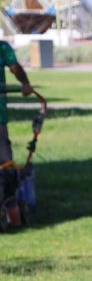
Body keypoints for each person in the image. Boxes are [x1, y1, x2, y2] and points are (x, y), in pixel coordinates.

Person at [0, 40, 35, 206]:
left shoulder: (2, 48)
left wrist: (25, 84)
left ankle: (9, 204)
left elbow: (15, 68)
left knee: (6, 163)